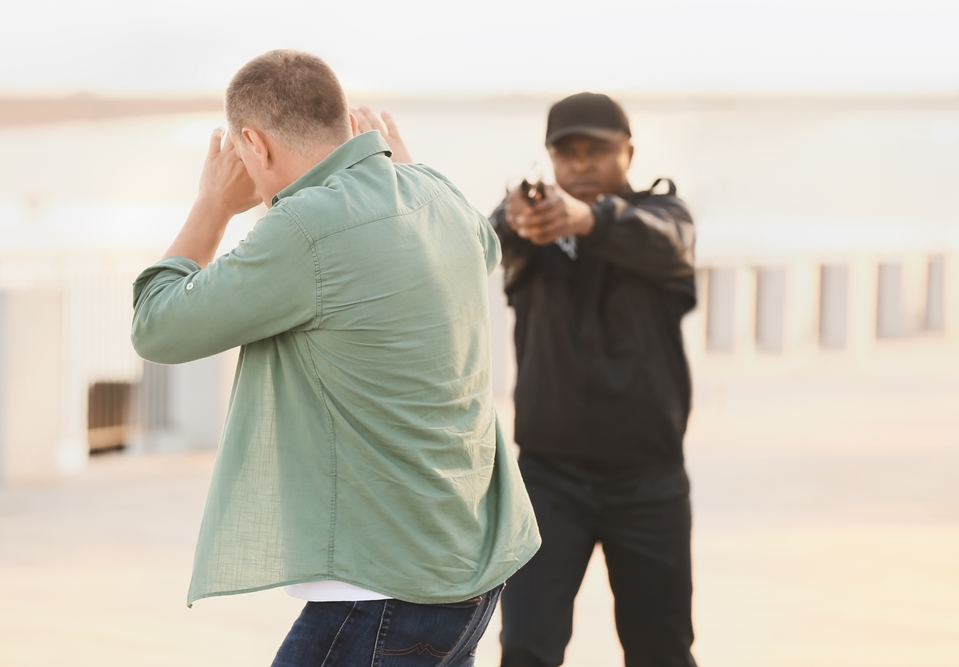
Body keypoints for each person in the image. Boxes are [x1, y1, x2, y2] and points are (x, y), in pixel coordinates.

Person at [130, 49, 540, 667]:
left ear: (253, 144)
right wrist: (401, 169)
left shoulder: (304, 228)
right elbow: (482, 247)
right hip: (470, 565)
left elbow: (158, 328)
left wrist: (212, 205)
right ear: (349, 126)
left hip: (382, 588)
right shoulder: (432, 192)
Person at [490, 93, 698, 667]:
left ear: (628, 151)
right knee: (527, 648)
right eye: (567, 152)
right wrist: (513, 218)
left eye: (597, 150)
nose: (581, 164)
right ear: (550, 158)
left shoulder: (662, 216)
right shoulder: (529, 230)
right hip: (548, 479)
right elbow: (482, 244)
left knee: (662, 650)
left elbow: (670, 241)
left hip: (649, 481)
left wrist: (590, 220)